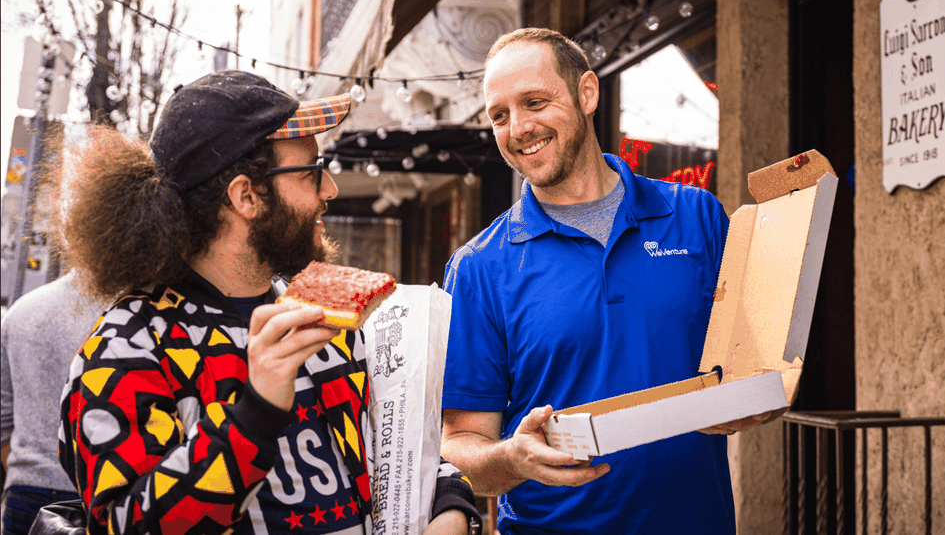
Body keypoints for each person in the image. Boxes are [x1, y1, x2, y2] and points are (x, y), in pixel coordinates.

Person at [57, 71, 480, 535]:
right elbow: (125, 523)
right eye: (311, 172)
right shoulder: (129, 347)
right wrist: (255, 411)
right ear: (246, 195)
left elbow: (399, 449)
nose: (329, 190)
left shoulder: (323, 315)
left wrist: (452, 507)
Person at [439, 28, 771, 534]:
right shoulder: (479, 268)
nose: (518, 128)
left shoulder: (696, 217)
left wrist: (756, 401)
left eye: (534, 102)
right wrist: (512, 458)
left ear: (587, 93)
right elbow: (461, 443)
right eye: (499, 115)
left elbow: (759, 362)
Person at [1, 272, 108, 535]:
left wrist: (31, 469)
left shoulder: (22, 310)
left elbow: (2, 415)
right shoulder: (134, 317)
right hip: (98, 498)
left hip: (26, 492)